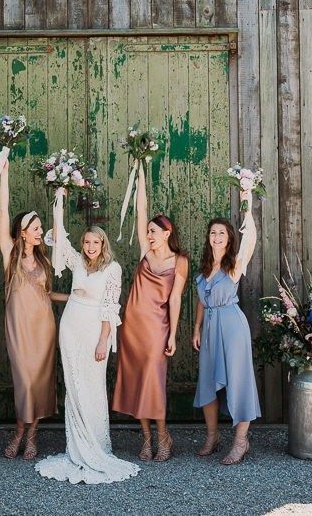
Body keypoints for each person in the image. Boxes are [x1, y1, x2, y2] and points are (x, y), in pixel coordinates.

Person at [35, 188, 140, 484]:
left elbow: (110, 307)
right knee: (73, 383)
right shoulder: (78, 262)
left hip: (95, 328)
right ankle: (75, 446)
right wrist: (59, 200)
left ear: (103, 244)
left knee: (92, 384)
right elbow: (59, 238)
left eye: (96, 242)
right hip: (71, 324)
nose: (91, 246)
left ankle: (96, 444)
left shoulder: (113, 269)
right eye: (87, 242)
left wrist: (102, 340)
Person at [112, 164, 189, 461]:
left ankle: (164, 436)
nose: (149, 234)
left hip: (157, 328)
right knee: (134, 381)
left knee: (153, 383)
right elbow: (139, 208)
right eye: (147, 232)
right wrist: (140, 168)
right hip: (132, 327)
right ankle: (145, 439)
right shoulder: (146, 251)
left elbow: (176, 299)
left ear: (167, 233)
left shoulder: (179, 260)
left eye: (154, 231)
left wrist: (172, 333)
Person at [191, 189, 261, 464]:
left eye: (221, 233)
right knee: (207, 381)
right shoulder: (204, 268)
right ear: (208, 239)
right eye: (213, 233)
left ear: (229, 237)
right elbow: (201, 301)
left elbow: (251, 239)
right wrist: (196, 328)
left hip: (232, 326)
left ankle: (241, 441)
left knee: (238, 380)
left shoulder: (234, 264)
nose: (217, 237)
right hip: (208, 327)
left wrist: (247, 203)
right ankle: (212, 436)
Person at [0, 160, 58, 460]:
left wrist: (76, 298)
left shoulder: (44, 262)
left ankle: (31, 436)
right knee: (25, 381)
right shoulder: (10, 256)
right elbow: (3, 212)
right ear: (22, 232)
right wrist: (5, 174)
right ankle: (20, 433)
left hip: (44, 328)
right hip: (19, 329)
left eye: (40, 227)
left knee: (39, 382)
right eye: (35, 228)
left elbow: (47, 294)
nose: (40, 231)